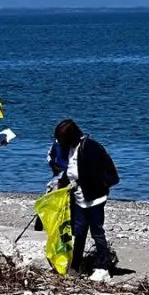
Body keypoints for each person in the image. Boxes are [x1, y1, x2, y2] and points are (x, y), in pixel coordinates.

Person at [53, 119, 119, 278]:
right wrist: (62, 186)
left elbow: (99, 172)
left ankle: (103, 267)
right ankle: (76, 265)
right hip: (79, 198)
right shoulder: (68, 149)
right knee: (79, 232)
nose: (58, 142)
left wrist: (84, 184)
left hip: (95, 198)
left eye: (61, 139)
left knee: (97, 231)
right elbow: (68, 171)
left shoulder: (89, 147)